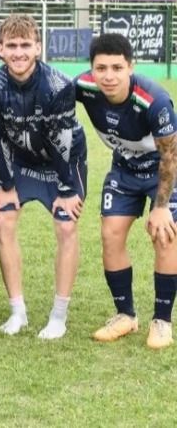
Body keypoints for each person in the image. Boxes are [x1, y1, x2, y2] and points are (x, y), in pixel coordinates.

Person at [0, 14, 87, 339]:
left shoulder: (59, 85)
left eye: (26, 45)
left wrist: (67, 189)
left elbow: (62, 143)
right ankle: (18, 312)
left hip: (63, 164)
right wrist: (7, 185)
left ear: (38, 48)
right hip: (21, 161)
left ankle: (58, 316)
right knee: (5, 220)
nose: (19, 52)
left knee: (66, 225)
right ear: (0, 49)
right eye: (11, 45)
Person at [76, 34, 177, 349]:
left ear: (130, 67)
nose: (108, 75)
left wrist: (160, 207)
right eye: (101, 67)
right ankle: (126, 315)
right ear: (91, 69)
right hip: (124, 169)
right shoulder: (83, 87)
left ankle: (162, 320)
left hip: (164, 170)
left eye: (117, 68)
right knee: (111, 234)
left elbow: (171, 157)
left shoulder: (154, 101)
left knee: (165, 233)